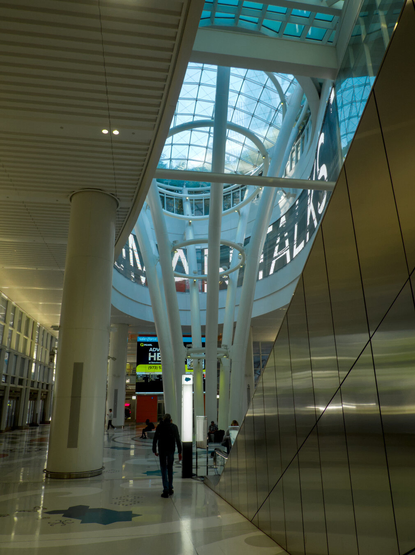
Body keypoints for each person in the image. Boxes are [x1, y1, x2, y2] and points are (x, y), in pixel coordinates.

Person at [152, 413, 182, 498]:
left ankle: (165, 489)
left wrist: (154, 450)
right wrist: (180, 452)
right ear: (170, 419)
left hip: (162, 450)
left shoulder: (160, 427)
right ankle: (170, 487)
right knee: (170, 468)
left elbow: (155, 439)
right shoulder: (174, 427)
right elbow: (178, 440)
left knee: (163, 468)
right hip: (171, 450)